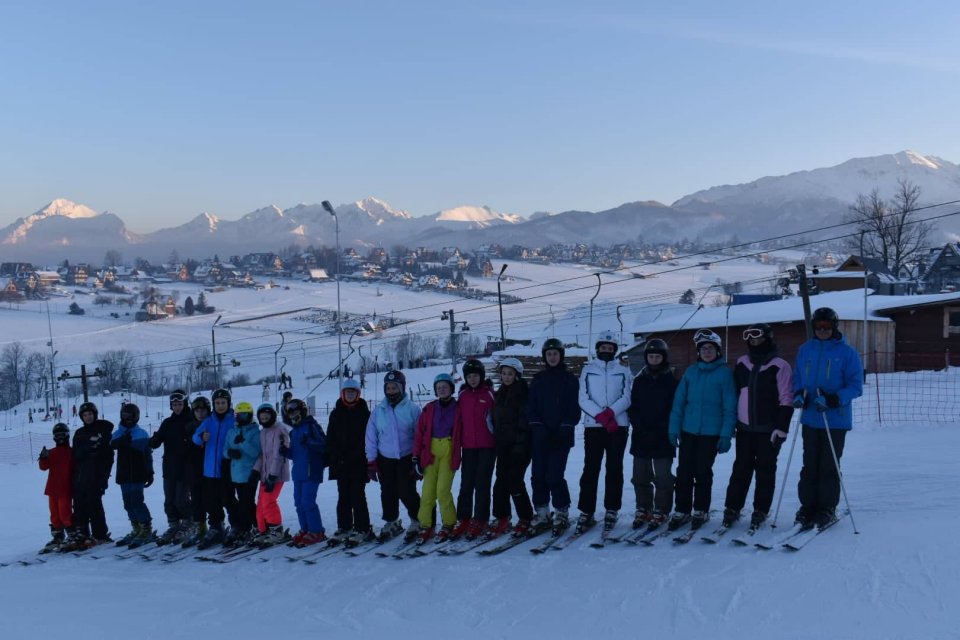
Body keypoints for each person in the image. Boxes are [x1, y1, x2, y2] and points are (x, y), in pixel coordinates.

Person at [792, 307, 863, 529]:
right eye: (819, 327)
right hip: (811, 417)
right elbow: (797, 377)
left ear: (834, 327)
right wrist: (798, 395)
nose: (823, 330)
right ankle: (808, 506)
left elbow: (855, 386)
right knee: (809, 464)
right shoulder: (805, 349)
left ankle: (826, 508)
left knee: (828, 465)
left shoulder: (847, 353)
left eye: (827, 327)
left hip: (835, 419)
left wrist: (834, 400)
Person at [722, 324, 795, 530]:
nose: (754, 342)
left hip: (769, 430)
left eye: (758, 338)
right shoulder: (742, 363)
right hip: (745, 429)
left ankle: (760, 509)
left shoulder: (780, 365)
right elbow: (734, 394)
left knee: (765, 471)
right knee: (740, 470)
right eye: (750, 339)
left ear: (768, 339)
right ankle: (732, 508)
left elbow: (786, 398)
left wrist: (782, 427)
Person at [668, 329, 736, 530]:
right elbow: (679, 402)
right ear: (698, 352)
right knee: (683, 472)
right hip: (689, 430)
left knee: (702, 471)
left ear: (717, 351)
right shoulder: (691, 372)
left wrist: (726, 434)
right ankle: (681, 509)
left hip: (711, 433)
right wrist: (674, 428)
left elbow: (729, 407)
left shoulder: (725, 374)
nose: (706, 352)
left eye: (710, 348)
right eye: (703, 348)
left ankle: (701, 509)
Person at [576, 330, 633, 535]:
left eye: (610, 348)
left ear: (615, 350)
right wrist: (600, 416)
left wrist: (611, 413)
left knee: (614, 468)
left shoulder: (624, 370)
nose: (606, 350)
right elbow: (583, 397)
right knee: (591, 468)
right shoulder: (588, 369)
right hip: (594, 426)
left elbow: (627, 396)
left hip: (618, 426)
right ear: (598, 348)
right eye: (603, 347)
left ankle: (612, 509)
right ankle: (587, 511)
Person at [527, 338, 581, 535]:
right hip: (540, 437)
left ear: (561, 355)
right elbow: (531, 408)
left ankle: (561, 511)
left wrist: (563, 429)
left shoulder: (569, 379)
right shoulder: (538, 379)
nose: (552, 357)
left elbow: (574, 409)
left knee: (555, 475)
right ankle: (542, 512)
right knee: (538, 476)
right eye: (548, 354)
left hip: (561, 437)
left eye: (555, 354)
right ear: (544, 357)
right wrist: (539, 429)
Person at [365, 370, 422, 543]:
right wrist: (371, 461)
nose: (391, 391)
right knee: (387, 491)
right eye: (388, 388)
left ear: (402, 388)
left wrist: (418, 459)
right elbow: (371, 436)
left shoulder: (412, 409)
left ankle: (417, 519)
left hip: (406, 458)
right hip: (385, 458)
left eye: (394, 387)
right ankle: (392, 521)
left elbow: (420, 435)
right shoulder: (379, 411)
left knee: (406, 491)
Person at [627, 339, 679, 530]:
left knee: (663, 477)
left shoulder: (671, 381)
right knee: (640, 475)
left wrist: (662, 428)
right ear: (646, 358)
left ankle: (662, 509)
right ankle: (644, 507)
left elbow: (675, 408)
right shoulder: (640, 381)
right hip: (641, 435)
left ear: (663, 358)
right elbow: (633, 407)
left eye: (658, 356)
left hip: (663, 436)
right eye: (651, 356)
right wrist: (639, 425)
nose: (654, 359)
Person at [452, 359, 497, 540]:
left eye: (475, 376)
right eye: (469, 376)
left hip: (487, 446)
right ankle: (463, 518)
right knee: (466, 483)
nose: (472, 379)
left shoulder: (490, 395)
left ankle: (480, 519)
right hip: (468, 446)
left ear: (481, 376)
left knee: (482, 483)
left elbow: (497, 419)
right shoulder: (462, 396)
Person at [412, 373, 460, 543]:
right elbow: (419, 434)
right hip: (430, 452)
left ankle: (448, 523)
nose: (441, 390)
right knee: (427, 492)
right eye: (438, 387)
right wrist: (416, 457)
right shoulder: (429, 408)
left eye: (445, 387)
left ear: (451, 389)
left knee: (442, 490)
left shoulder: (458, 407)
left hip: (448, 449)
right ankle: (426, 525)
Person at [326, 379, 375, 546]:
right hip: (340, 463)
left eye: (353, 392)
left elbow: (368, 438)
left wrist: (359, 455)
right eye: (348, 392)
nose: (350, 395)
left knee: (357, 495)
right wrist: (335, 455)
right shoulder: (336, 413)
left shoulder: (364, 413)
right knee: (343, 496)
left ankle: (363, 528)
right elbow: (330, 438)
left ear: (358, 394)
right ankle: (344, 527)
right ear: (343, 394)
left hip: (358, 462)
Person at [61, 401, 114, 551]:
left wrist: (104, 478)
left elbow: (108, 457)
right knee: (79, 507)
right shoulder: (79, 433)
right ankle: (82, 534)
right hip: (80, 476)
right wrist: (87, 448)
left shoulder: (103, 431)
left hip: (95, 474)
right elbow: (76, 455)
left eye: (90, 414)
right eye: (85, 415)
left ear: (95, 415)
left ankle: (100, 535)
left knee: (94, 505)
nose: (88, 417)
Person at [491, 358, 534, 537]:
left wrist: (519, 445)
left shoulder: (523, 393)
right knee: (500, 481)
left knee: (514, 480)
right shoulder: (500, 393)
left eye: (510, 374)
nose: (506, 377)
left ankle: (525, 517)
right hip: (504, 445)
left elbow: (524, 423)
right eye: (504, 373)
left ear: (517, 375)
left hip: (521, 446)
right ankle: (502, 516)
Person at [191, 388, 237, 549]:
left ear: (228, 403)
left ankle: (237, 526)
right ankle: (216, 527)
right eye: (217, 403)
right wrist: (200, 437)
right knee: (211, 501)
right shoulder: (209, 420)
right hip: (209, 469)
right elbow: (195, 437)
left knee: (229, 499)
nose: (220, 406)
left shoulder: (233, 420)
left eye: (223, 402)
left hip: (227, 467)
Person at [148, 390, 194, 545]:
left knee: (181, 499)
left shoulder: (191, 420)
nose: (177, 407)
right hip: (169, 466)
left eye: (180, 404)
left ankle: (189, 523)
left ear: (184, 404)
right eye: (174, 404)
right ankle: (173, 525)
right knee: (169, 499)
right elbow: (158, 439)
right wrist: (153, 440)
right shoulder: (168, 422)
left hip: (186, 466)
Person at [282, 398, 328, 547]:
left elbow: (324, 445)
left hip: (312, 470)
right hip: (299, 472)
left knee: (308, 502)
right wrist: (285, 451)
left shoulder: (312, 426)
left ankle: (317, 531)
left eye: (294, 411)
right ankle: (306, 529)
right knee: (298, 503)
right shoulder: (294, 431)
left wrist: (309, 442)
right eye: (289, 412)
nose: (292, 414)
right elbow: (295, 454)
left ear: (302, 411)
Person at [110, 403, 155, 548]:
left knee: (136, 501)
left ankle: (146, 528)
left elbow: (147, 454)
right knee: (127, 502)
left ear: (136, 417)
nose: (127, 419)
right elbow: (110, 444)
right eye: (125, 416)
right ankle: (136, 528)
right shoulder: (118, 433)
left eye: (130, 416)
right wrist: (121, 441)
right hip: (123, 473)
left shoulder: (141, 433)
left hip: (138, 473)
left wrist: (150, 471)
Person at [222, 401, 262, 547]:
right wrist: (229, 453)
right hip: (236, 474)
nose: (242, 418)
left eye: (245, 415)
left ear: (250, 415)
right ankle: (258, 524)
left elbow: (255, 452)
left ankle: (246, 528)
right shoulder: (231, 431)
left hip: (250, 474)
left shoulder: (254, 431)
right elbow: (225, 450)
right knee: (246, 502)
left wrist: (243, 442)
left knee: (245, 503)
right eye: (239, 415)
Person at [251, 403, 290, 546]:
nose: (265, 418)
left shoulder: (280, 430)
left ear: (273, 416)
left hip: (277, 475)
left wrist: (273, 475)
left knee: (268, 501)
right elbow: (263, 455)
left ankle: (276, 529)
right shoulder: (263, 432)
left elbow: (279, 455)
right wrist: (256, 470)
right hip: (265, 475)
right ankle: (263, 530)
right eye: (262, 416)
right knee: (260, 503)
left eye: (268, 415)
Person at [180, 396, 211, 547]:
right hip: (193, 469)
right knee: (196, 500)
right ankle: (201, 527)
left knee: (211, 499)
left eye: (203, 410)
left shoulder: (212, 424)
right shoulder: (189, 426)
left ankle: (216, 526)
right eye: (197, 410)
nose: (200, 413)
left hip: (210, 469)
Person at [39, 423, 74, 552]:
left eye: (62, 435)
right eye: (57, 436)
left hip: (65, 488)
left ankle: (72, 535)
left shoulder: (71, 452)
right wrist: (43, 458)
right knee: (54, 515)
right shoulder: (51, 452)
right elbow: (43, 467)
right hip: (52, 489)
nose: (60, 438)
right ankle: (58, 536)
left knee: (65, 513)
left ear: (67, 436)